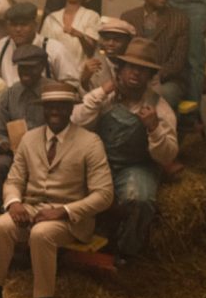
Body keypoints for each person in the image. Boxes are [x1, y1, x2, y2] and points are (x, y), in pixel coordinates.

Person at [0, 82, 114, 298]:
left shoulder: (90, 142)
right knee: (1, 226)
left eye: (61, 106)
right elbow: (14, 180)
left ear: (71, 109)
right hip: (32, 209)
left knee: (41, 233)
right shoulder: (30, 139)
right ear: (43, 110)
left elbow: (104, 194)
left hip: (70, 217)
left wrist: (64, 211)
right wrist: (14, 202)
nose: (54, 111)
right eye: (50, 107)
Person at [71, 38, 179, 265]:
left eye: (143, 70)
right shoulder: (105, 97)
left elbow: (168, 155)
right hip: (100, 162)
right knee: (67, 185)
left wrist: (153, 127)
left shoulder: (158, 106)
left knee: (139, 198)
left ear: (150, 76)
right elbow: (76, 121)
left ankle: (125, 253)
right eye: (131, 67)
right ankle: (74, 245)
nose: (136, 73)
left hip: (136, 166)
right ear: (120, 69)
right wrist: (100, 92)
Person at [0, 44, 52, 208]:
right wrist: (3, 143)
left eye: (31, 68)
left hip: (47, 151)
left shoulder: (53, 91)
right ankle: (1, 209)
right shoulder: (9, 94)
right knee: (0, 164)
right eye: (21, 67)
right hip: (14, 153)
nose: (25, 72)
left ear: (41, 67)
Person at [120, 0, 190, 108]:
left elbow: (178, 60)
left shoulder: (180, 19)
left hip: (167, 80)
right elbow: (122, 51)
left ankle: (158, 129)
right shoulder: (128, 17)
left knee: (162, 95)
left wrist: (153, 77)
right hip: (134, 76)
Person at [0, 2, 80, 88]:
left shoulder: (54, 48)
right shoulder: (0, 47)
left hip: (45, 99)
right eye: (14, 25)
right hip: (10, 99)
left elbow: (72, 83)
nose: (18, 29)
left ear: (35, 25)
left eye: (24, 24)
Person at [40, 0, 101, 64]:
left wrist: (80, 35)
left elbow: (90, 51)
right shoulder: (51, 18)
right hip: (52, 71)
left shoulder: (92, 16)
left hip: (79, 73)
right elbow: (42, 48)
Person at [81, 17, 134, 92]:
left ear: (128, 42)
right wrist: (84, 81)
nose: (110, 43)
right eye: (106, 39)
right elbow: (87, 98)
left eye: (117, 40)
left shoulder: (134, 67)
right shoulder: (92, 66)